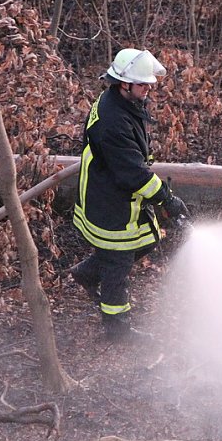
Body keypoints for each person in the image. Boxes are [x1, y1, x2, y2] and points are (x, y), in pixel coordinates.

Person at [71, 48, 189, 340]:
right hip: (109, 200)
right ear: (123, 83)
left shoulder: (118, 102)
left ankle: (88, 273)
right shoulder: (113, 122)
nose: (148, 88)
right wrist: (167, 199)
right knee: (118, 263)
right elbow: (133, 173)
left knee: (143, 243)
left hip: (109, 189)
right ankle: (117, 328)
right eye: (142, 84)